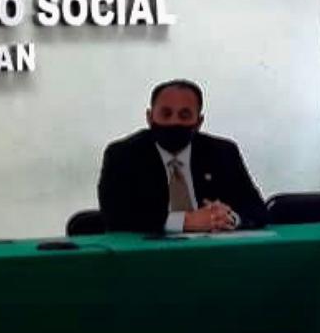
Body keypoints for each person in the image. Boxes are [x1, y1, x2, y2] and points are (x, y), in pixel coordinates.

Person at [98, 80, 265, 234]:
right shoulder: (123, 154)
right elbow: (116, 215)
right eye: (166, 114)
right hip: (148, 252)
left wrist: (229, 218)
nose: (174, 122)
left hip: (214, 250)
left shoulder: (223, 152)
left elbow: (257, 209)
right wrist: (185, 222)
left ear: (199, 122)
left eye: (184, 116)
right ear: (149, 117)